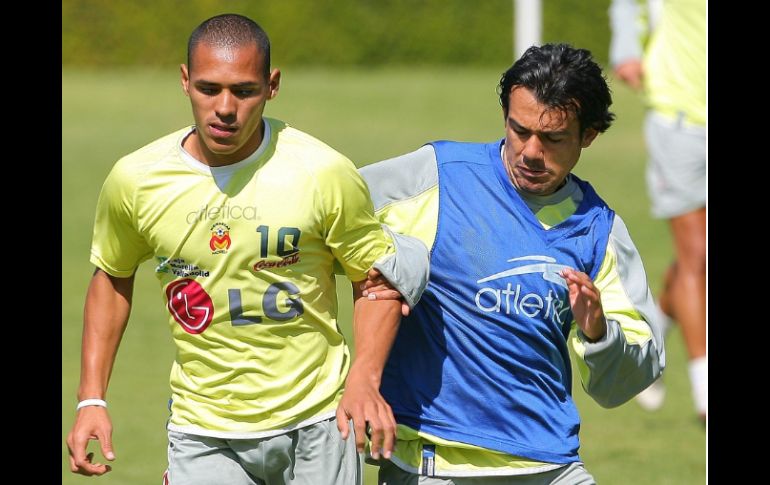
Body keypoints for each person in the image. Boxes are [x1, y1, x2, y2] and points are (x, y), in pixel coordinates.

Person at [65, 13, 429, 485]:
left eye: (243, 90)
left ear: (272, 85)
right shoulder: (136, 181)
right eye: (208, 88)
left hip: (318, 417)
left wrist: (365, 376)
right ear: (184, 81)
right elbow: (112, 276)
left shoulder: (322, 173)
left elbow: (375, 281)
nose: (224, 107)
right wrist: (91, 399)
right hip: (203, 427)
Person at [358, 43, 665, 484]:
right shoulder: (439, 177)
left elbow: (630, 379)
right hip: (434, 462)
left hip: (550, 462)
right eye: (519, 130)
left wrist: (599, 333)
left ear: (589, 135)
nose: (531, 152)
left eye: (553, 138)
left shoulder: (600, 231)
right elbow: (331, 211)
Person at [609, 0, 706, 419]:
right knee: (696, 256)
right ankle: (704, 393)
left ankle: (655, 335)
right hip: (679, 123)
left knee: (698, 260)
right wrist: (626, 48)